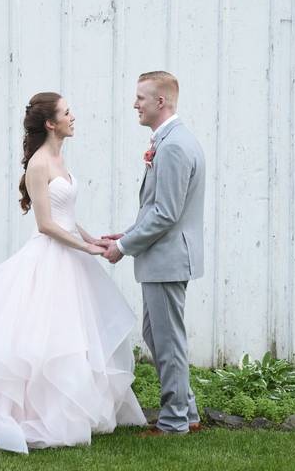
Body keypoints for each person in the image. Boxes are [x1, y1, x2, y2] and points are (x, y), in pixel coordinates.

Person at [0, 92, 146, 455]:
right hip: (49, 258)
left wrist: (91, 238)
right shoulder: (39, 164)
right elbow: (46, 224)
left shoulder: (60, 156)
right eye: (67, 113)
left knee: (70, 339)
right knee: (37, 342)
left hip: (70, 256)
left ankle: (66, 411)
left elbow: (65, 212)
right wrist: (83, 248)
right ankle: (15, 416)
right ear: (51, 123)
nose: (74, 116)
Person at [100, 71, 206, 435]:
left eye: (141, 98)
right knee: (157, 336)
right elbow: (159, 209)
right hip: (164, 258)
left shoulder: (174, 145)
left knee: (167, 341)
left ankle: (174, 421)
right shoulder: (171, 140)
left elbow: (166, 213)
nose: (135, 104)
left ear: (161, 101)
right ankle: (187, 412)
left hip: (168, 260)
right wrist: (126, 233)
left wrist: (123, 248)